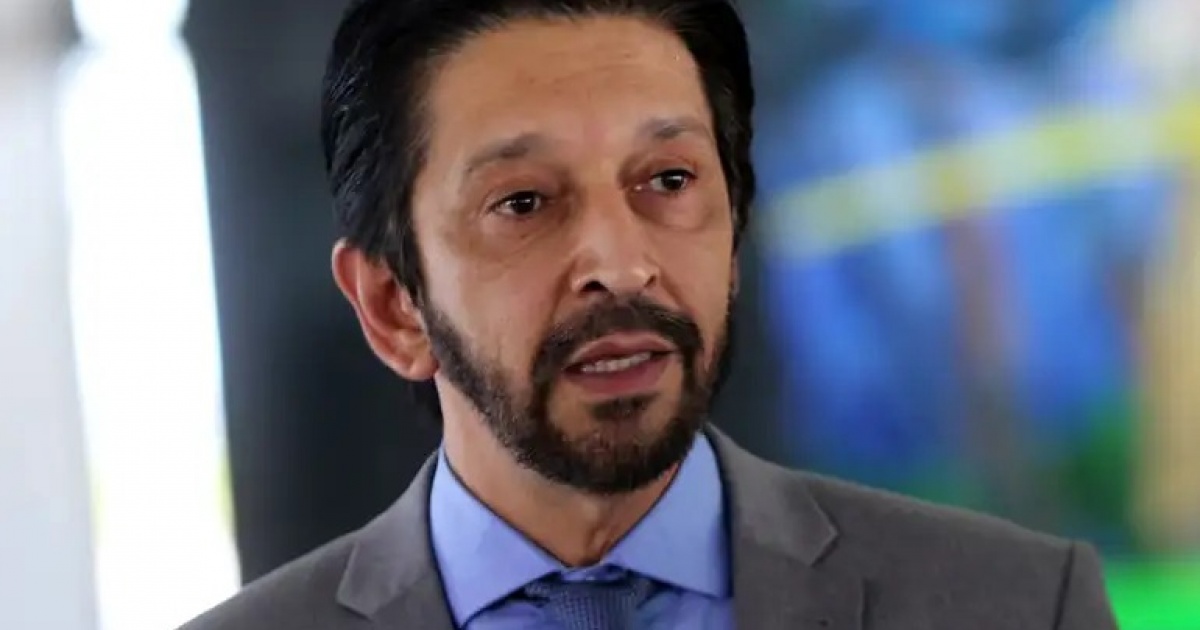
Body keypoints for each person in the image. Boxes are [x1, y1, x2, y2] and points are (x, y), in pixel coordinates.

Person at [181, 0, 1120, 628]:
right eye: (523, 202)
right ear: (393, 306)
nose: (621, 264)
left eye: (668, 180)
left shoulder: (1019, 606)